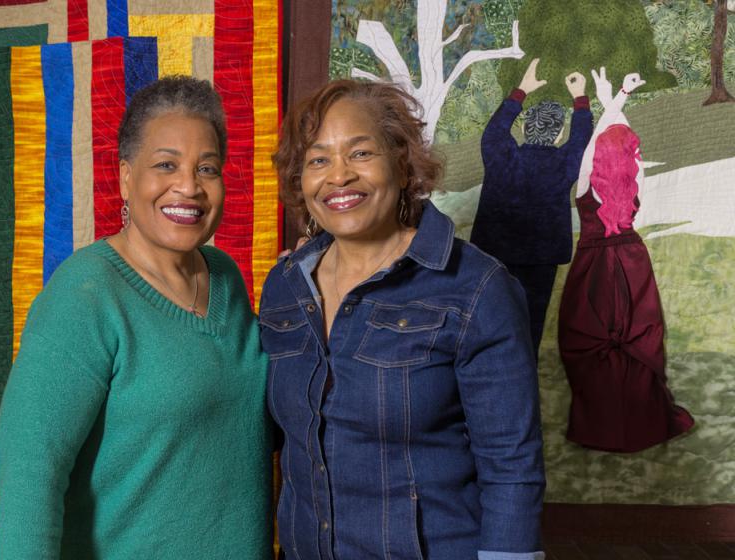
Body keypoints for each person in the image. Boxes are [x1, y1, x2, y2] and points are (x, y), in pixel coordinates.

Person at [0, 76, 272, 559]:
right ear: (126, 177)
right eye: (166, 165)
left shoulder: (225, 276)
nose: (189, 186)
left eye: (207, 168)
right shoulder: (86, 294)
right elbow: (29, 474)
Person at [264, 79, 544, 559]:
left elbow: (512, 464)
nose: (338, 177)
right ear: (300, 180)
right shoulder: (285, 285)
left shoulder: (476, 287)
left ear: (400, 159)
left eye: (360, 153)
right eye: (317, 159)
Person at [558, 122, 694, 453]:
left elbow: (591, 150)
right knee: (638, 336)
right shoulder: (633, 185)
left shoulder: (584, 189)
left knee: (591, 337)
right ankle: (644, 420)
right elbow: (630, 154)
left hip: (592, 267)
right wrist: (619, 101)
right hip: (631, 261)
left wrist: (612, 103)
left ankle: (598, 425)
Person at [471, 58, 594, 357]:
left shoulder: (502, 156)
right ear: (559, 133)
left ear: (524, 127)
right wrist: (580, 99)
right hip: (541, 259)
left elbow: (494, 132)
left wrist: (520, 92)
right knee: (529, 327)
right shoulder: (564, 163)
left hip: (492, 254)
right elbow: (582, 142)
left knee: (482, 323)